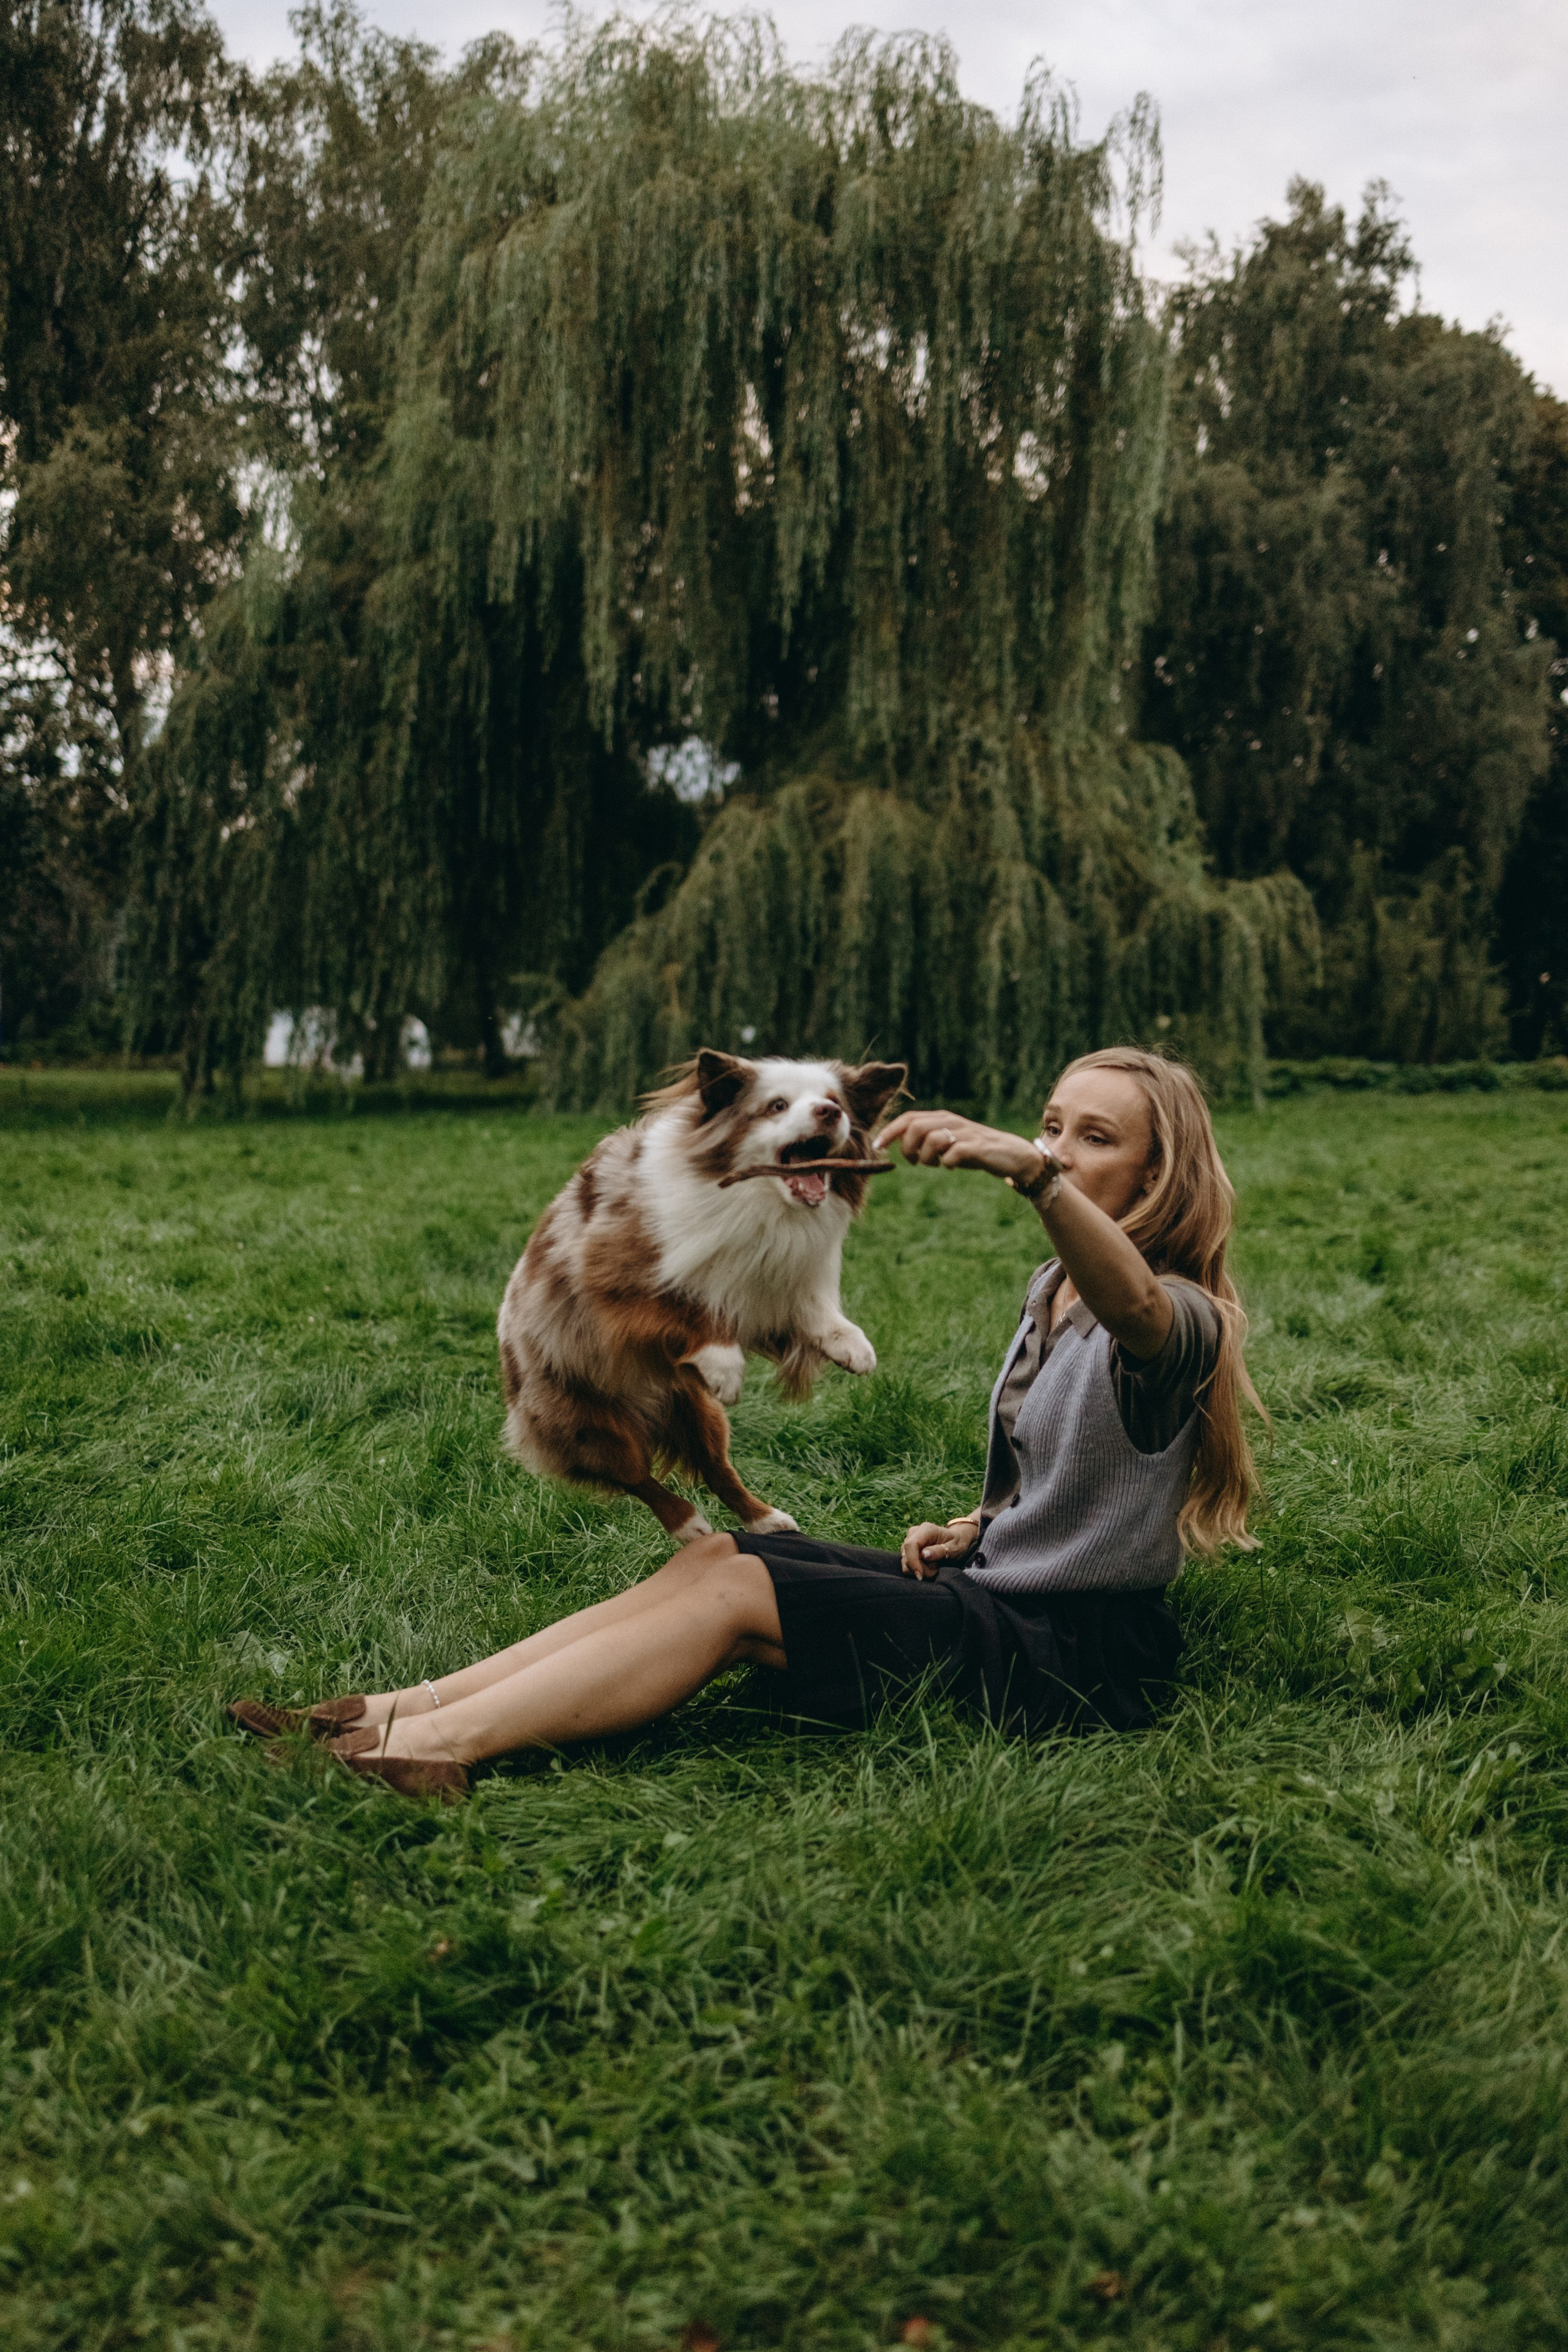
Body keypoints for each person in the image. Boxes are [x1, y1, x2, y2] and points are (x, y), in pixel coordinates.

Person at [230, 1047, 1264, 1800]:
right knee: (716, 1553)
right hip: (1001, 1586)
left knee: (739, 1589)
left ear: (1159, 1171)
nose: (1058, 1148)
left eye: (1096, 1137)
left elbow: (1137, 1310)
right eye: (1051, 1126)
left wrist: (1031, 1176)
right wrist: (983, 1527)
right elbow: (1078, 1477)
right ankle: (389, 1714)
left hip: (1076, 1658)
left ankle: (442, 1754)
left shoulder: (1181, 1318)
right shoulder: (1055, 1289)